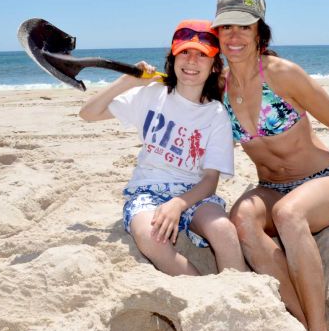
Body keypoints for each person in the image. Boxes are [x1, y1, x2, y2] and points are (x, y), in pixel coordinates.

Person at [211, 0, 329, 331]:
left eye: (244, 27)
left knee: (290, 214)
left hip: (322, 179)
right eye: (226, 27)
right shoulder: (219, 87)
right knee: (241, 219)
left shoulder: (281, 74)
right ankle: (297, 314)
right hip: (270, 186)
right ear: (217, 34)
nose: (235, 36)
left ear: (260, 30)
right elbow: (178, 90)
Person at [79, 19, 248, 276]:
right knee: (151, 237)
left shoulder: (216, 114)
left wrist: (178, 204)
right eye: (185, 52)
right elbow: (88, 113)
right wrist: (127, 82)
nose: (192, 61)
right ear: (173, 57)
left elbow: (210, 181)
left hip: (194, 193)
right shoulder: (151, 94)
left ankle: (237, 291)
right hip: (147, 191)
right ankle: (202, 290)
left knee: (223, 231)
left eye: (202, 55)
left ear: (215, 66)